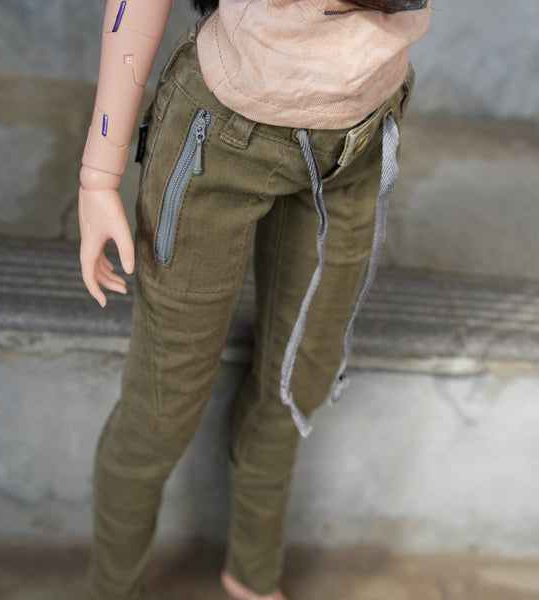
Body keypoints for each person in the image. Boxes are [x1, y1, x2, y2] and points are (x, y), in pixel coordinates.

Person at [78, 1, 432, 598]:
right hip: (223, 136)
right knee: (161, 409)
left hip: (362, 135)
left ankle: (253, 574)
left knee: (298, 380)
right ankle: (113, 588)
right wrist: (99, 174)